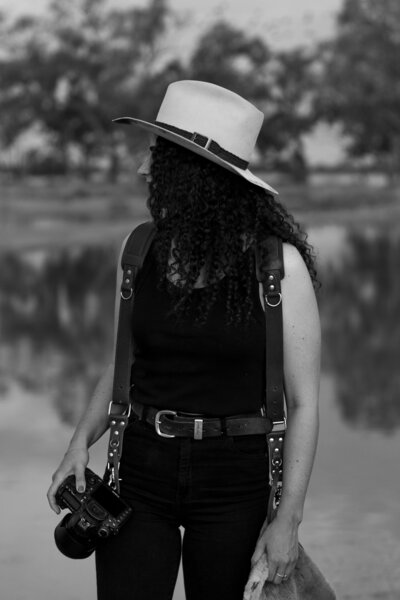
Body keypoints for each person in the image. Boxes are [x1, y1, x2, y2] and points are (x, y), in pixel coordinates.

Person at [47, 80, 321, 600]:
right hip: (138, 470)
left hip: (237, 481)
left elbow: (304, 402)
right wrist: (78, 443)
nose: (141, 169)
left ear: (190, 174)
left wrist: (289, 518)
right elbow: (121, 364)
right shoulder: (137, 249)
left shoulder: (277, 268)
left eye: (155, 156)